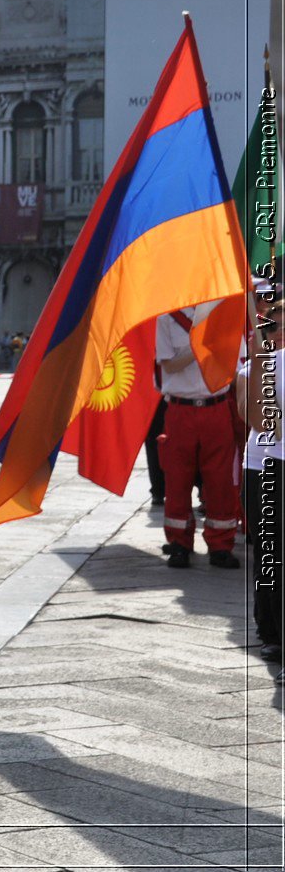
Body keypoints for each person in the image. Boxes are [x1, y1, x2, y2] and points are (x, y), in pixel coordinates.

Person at [156, 302, 242, 568]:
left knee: (220, 480)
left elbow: (236, 364)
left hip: (216, 408)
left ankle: (220, 545)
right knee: (177, 479)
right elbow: (168, 366)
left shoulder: (223, 314)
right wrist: (199, 346)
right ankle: (180, 544)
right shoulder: (167, 317)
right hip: (181, 409)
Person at [240, 281, 282, 663]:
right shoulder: (258, 364)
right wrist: (258, 362)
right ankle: (270, 628)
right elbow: (255, 419)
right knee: (268, 551)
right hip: (262, 466)